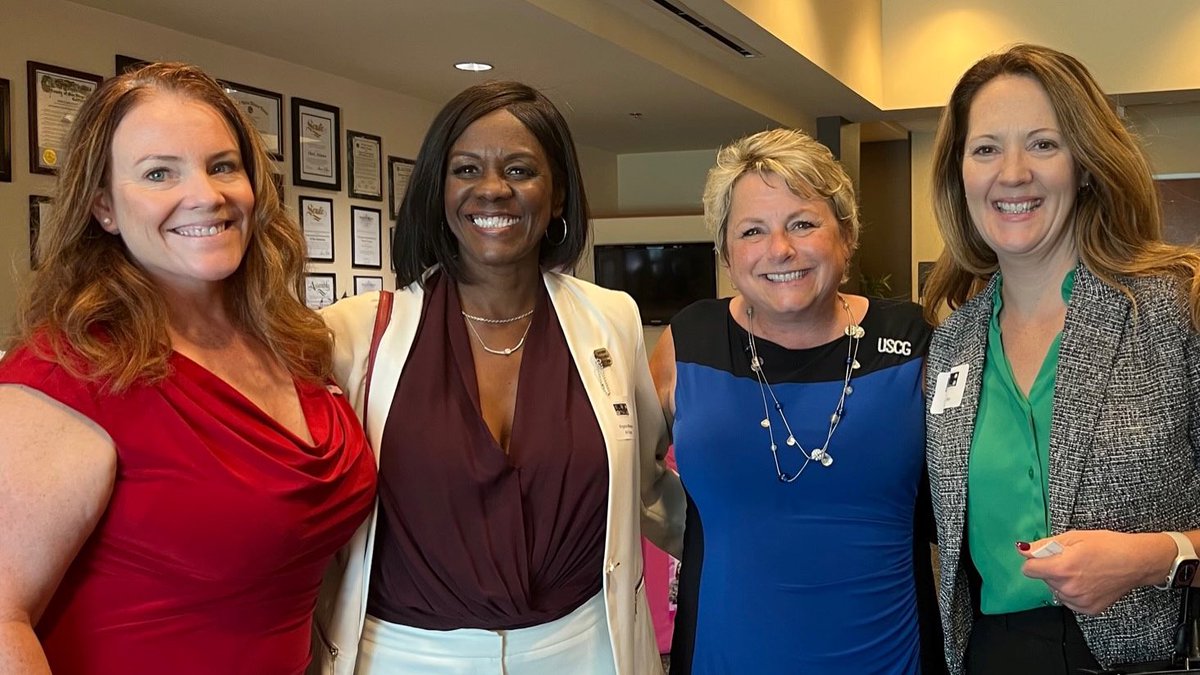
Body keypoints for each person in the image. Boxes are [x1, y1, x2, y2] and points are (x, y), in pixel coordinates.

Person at [0, 63, 376, 674]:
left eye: (223, 165)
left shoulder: (291, 341)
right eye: (158, 173)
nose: (206, 194)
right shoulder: (67, 377)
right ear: (104, 208)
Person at [316, 80, 684, 675]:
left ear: (557, 194)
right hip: (404, 655)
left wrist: (744, 550)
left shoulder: (611, 319)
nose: (493, 188)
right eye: (466, 169)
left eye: (520, 169)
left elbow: (642, 483)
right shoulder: (353, 335)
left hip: (584, 647)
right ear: (440, 189)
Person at [923, 43, 1200, 675]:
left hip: (1152, 659)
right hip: (993, 656)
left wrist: (1154, 557)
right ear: (959, 172)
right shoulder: (951, 345)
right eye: (986, 148)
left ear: (1085, 164)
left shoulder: (1175, 309)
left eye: (1043, 144)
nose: (1012, 173)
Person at [648, 128, 944, 674]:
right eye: (752, 231)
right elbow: (632, 477)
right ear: (727, 253)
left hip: (889, 658)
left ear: (846, 235)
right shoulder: (690, 342)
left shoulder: (913, 342)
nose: (779, 250)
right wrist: (711, 527)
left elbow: (965, 495)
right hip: (722, 656)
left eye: (803, 223)